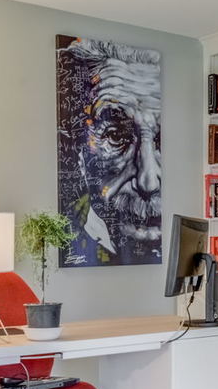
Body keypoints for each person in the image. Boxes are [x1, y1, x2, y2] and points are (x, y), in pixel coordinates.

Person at [56, 36, 163, 265]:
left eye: (161, 142)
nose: (149, 182)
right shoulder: (63, 240)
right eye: (116, 135)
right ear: (78, 150)